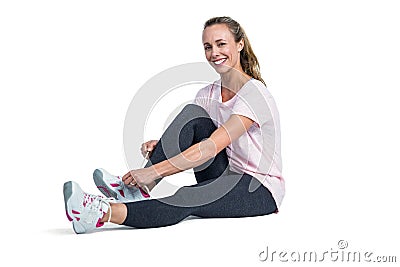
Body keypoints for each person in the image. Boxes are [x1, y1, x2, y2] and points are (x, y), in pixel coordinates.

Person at [63, 16, 285, 234]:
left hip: (257, 188)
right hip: (223, 173)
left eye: (221, 44)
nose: (214, 53)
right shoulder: (207, 94)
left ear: (240, 44)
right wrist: (162, 146)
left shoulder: (255, 94)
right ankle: (138, 190)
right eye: (208, 46)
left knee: (189, 196)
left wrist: (152, 170)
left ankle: (100, 213)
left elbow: (210, 147)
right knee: (193, 114)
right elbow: (197, 132)